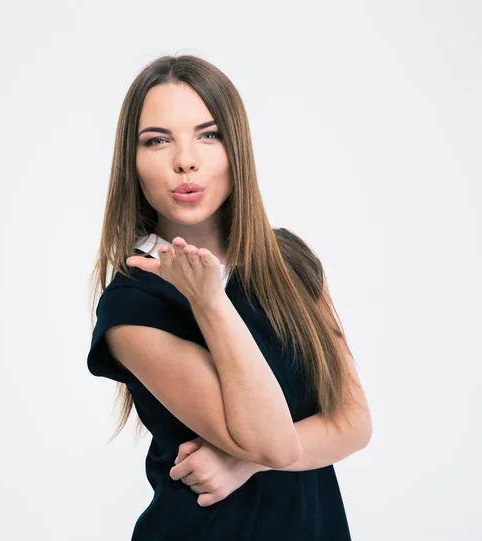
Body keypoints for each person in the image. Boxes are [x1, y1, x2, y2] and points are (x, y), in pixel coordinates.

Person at [87, 54, 372, 540]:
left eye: (208, 134)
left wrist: (244, 464)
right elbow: (273, 444)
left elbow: (353, 423)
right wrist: (211, 301)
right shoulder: (132, 306)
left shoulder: (292, 262)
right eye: (157, 140)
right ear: (132, 163)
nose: (185, 160)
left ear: (236, 148)